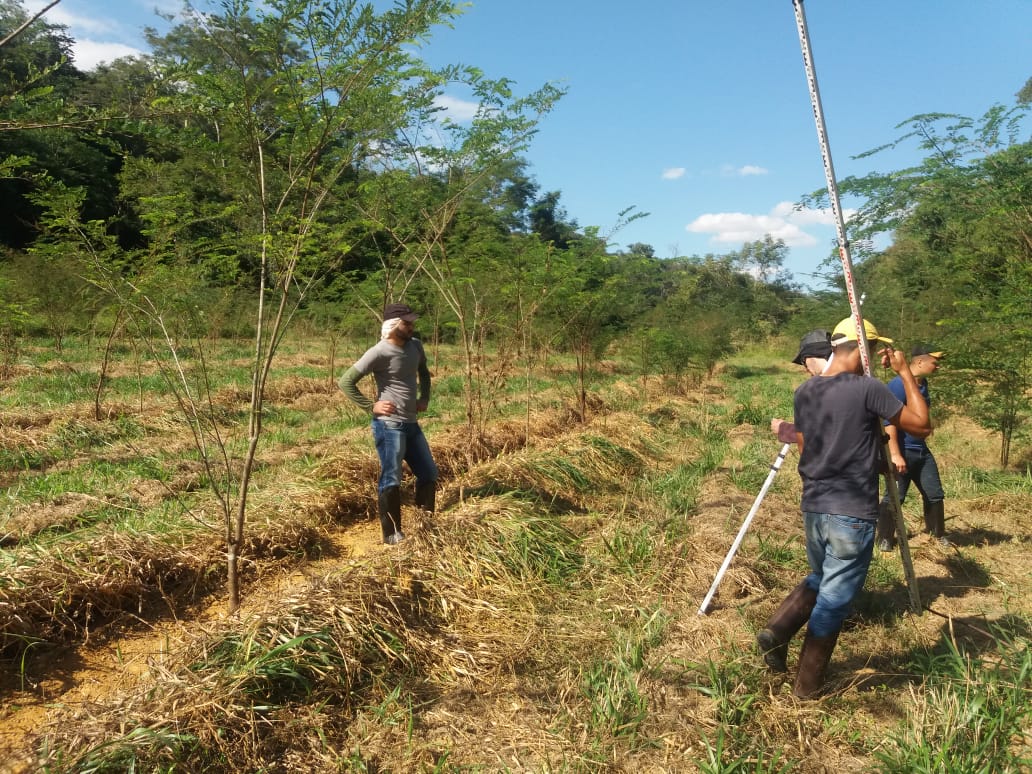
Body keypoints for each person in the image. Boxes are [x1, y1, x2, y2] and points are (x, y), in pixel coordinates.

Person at [756, 316, 931, 699]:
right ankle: (806, 689)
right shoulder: (868, 389)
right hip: (851, 510)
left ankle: (777, 631)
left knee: (822, 577)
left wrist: (871, 457)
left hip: (815, 506)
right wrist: (904, 373)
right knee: (834, 600)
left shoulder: (805, 392)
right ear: (860, 349)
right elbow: (921, 424)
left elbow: (817, 445)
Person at [338, 302, 439, 545]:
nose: (412, 326)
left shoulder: (415, 346)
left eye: (412, 322)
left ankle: (425, 524)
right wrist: (370, 406)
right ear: (393, 326)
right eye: (407, 323)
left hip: (411, 424)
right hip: (389, 425)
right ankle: (392, 535)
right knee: (391, 477)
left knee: (429, 472)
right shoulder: (379, 352)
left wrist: (424, 397)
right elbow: (346, 381)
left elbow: (424, 373)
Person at [877, 344, 948, 550]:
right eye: (935, 362)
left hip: (921, 451)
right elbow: (888, 422)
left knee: (934, 494)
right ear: (919, 361)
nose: (938, 367)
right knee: (895, 496)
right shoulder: (898, 385)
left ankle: (937, 535)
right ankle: (884, 538)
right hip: (903, 450)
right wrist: (896, 454)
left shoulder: (923, 384)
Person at [770, 329, 833, 444]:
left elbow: (826, 436)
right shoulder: (854, 378)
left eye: (804, 362)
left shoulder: (823, 388)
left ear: (812, 356)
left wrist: (784, 429)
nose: (806, 369)